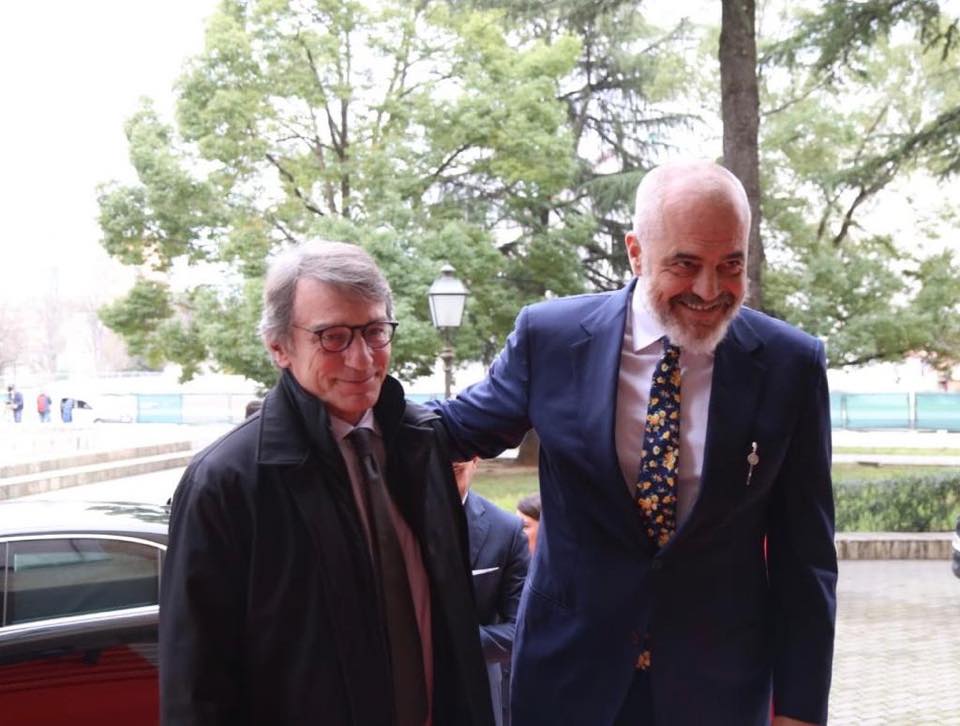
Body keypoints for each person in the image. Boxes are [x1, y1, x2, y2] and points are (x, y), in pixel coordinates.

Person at [430, 160, 837, 726]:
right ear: (636, 252)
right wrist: (349, 398)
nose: (709, 290)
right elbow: (449, 431)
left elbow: (806, 558)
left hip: (717, 693)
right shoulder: (551, 340)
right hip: (568, 685)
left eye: (731, 265)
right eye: (685, 264)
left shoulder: (790, 364)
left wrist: (799, 710)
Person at [160, 241, 494, 725]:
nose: (362, 359)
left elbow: (454, 632)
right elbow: (196, 686)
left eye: (375, 332)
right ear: (279, 347)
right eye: (333, 337)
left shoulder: (423, 446)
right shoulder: (224, 483)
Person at [453, 458, 529, 726]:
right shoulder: (391, 518)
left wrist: (454, 641)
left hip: (477, 690)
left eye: (456, 468)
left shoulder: (505, 530)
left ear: (476, 459)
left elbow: (521, 630)